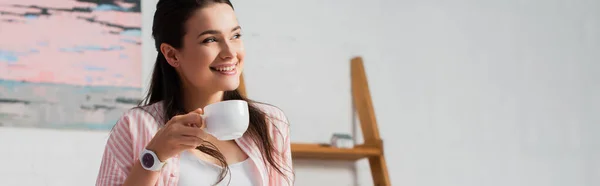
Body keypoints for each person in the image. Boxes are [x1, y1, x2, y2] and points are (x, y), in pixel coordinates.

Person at [95, 0, 294, 185]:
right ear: (172, 55)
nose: (230, 52)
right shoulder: (136, 125)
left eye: (235, 36)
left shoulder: (271, 124)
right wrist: (155, 155)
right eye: (210, 40)